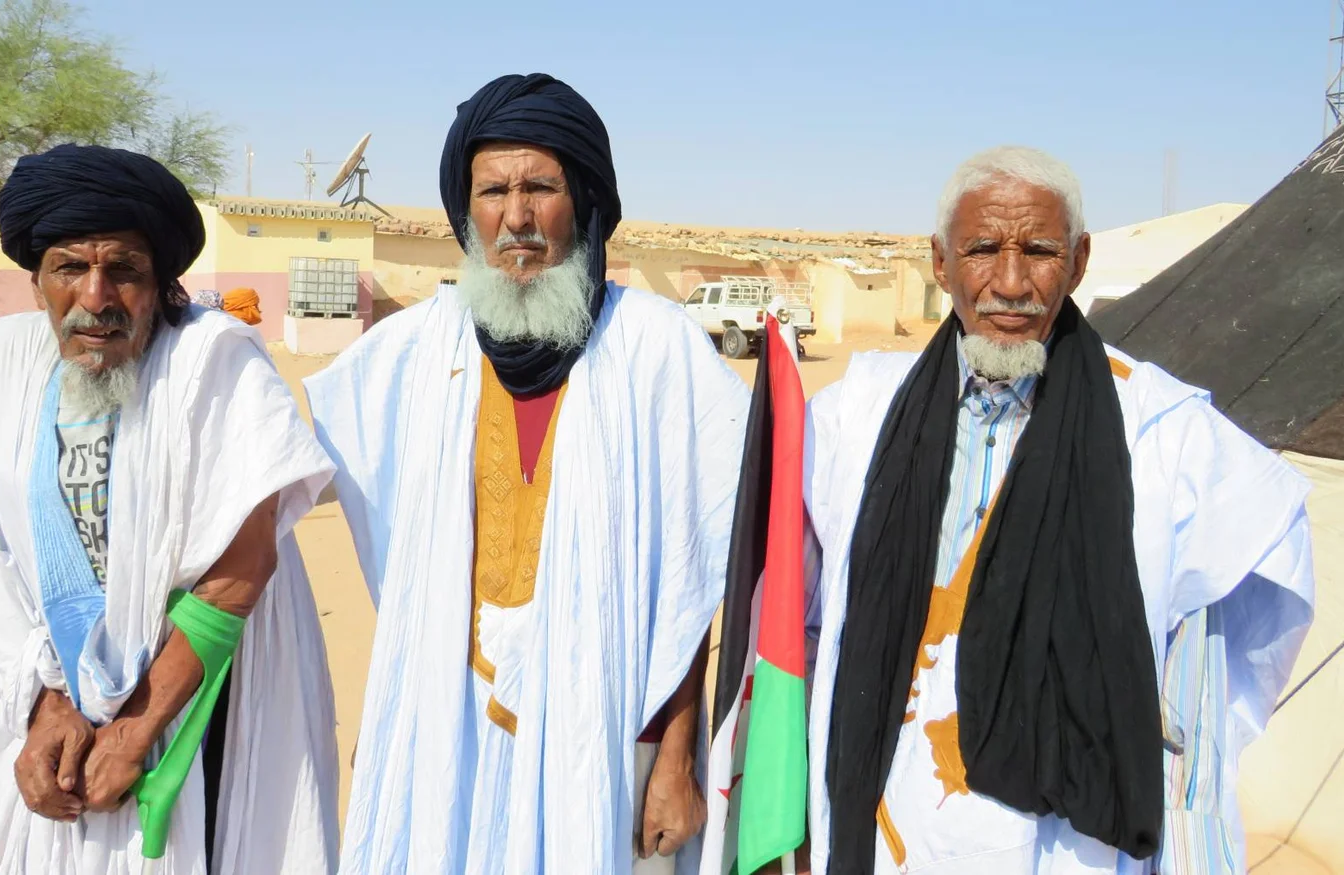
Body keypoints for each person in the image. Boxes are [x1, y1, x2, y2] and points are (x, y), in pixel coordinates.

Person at [796, 146, 1314, 874]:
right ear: (940, 264)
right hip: (887, 832)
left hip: (1064, 851)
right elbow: (810, 638)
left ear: (1077, 263)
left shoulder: (1170, 443)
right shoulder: (854, 418)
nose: (1011, 283)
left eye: (1039, 251)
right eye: (983, 250)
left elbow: (1190, 727)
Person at [306, 73, 750, 875]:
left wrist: (679, 755)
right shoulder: (414, 354)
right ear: (464, 210)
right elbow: (405, 568)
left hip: (606, 727)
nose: (515, 216)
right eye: (492, 191)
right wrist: (396, 711)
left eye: (540, 186)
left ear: (583, 199)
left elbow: (688, 583)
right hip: (450, 726)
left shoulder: (656, 351)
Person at [0, 144, 341, 874]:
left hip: (194, 713)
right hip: (54, 720)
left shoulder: (213, 360)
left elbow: (247, 559)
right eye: (70, 266)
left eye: (123, 269)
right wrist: (42, 705)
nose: (96, 297)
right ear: (37, 281)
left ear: (162, 282)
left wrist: (133, 731)